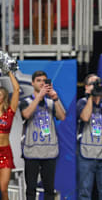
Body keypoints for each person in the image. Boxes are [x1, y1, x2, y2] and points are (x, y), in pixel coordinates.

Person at [20, 70, 66, 200]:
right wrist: (39, 97)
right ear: (32, 83)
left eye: (44, 81)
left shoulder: (51, 102)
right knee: (31, 189)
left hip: (49, 151)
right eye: (38, 81)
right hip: (31, 151)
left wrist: (56, 99)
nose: (41, 83)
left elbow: (62, 116)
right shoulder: (26, 101)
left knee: (49, 190)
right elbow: (26, 114)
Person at [0, 71, 19, 200]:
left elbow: (17, 89)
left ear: (4, 96)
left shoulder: (10, 111)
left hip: (5, 153)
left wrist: (9, 72)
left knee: (3, 188)